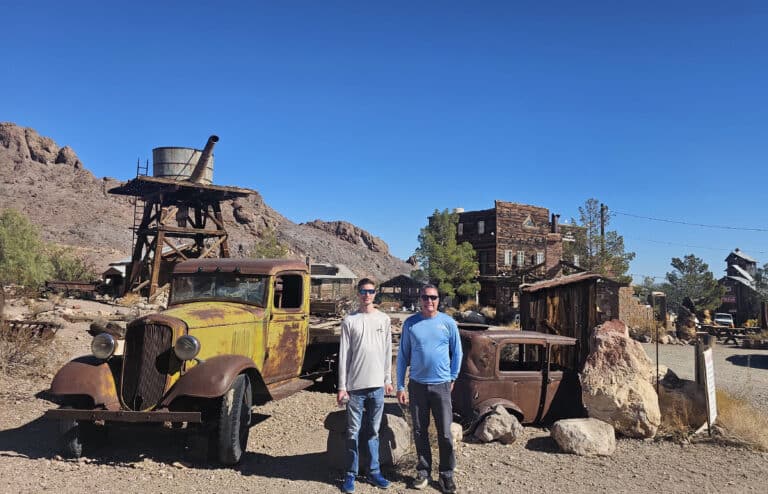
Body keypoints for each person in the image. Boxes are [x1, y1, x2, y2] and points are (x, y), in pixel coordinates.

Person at [396, 284, 462, 494]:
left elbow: (457, 353)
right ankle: (424, 472)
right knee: (419, 430)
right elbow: (403, 356)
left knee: (444, 433)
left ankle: (446, 475)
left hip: (441, 385)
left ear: (438, 299)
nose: (429, 301)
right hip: (417, 385)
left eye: (433, 297)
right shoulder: (411, 324)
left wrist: (452, 377)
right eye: (425, 297)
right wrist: (399, 385)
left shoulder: (448, 323)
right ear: (420, 299)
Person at [337, 278, 393, 493]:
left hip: (377, 386)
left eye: (370, 291)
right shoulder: (350, 321)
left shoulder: (384, 320)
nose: (367, 295)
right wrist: (342, 387)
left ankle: (374, 471)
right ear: (358, 293)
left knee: (373, 432)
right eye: (363, 291)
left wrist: (388, 380)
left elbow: (388, 352)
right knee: (353, 431)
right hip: (356, 387)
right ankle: (350, 474)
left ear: (375, 294)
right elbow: (344, 356)